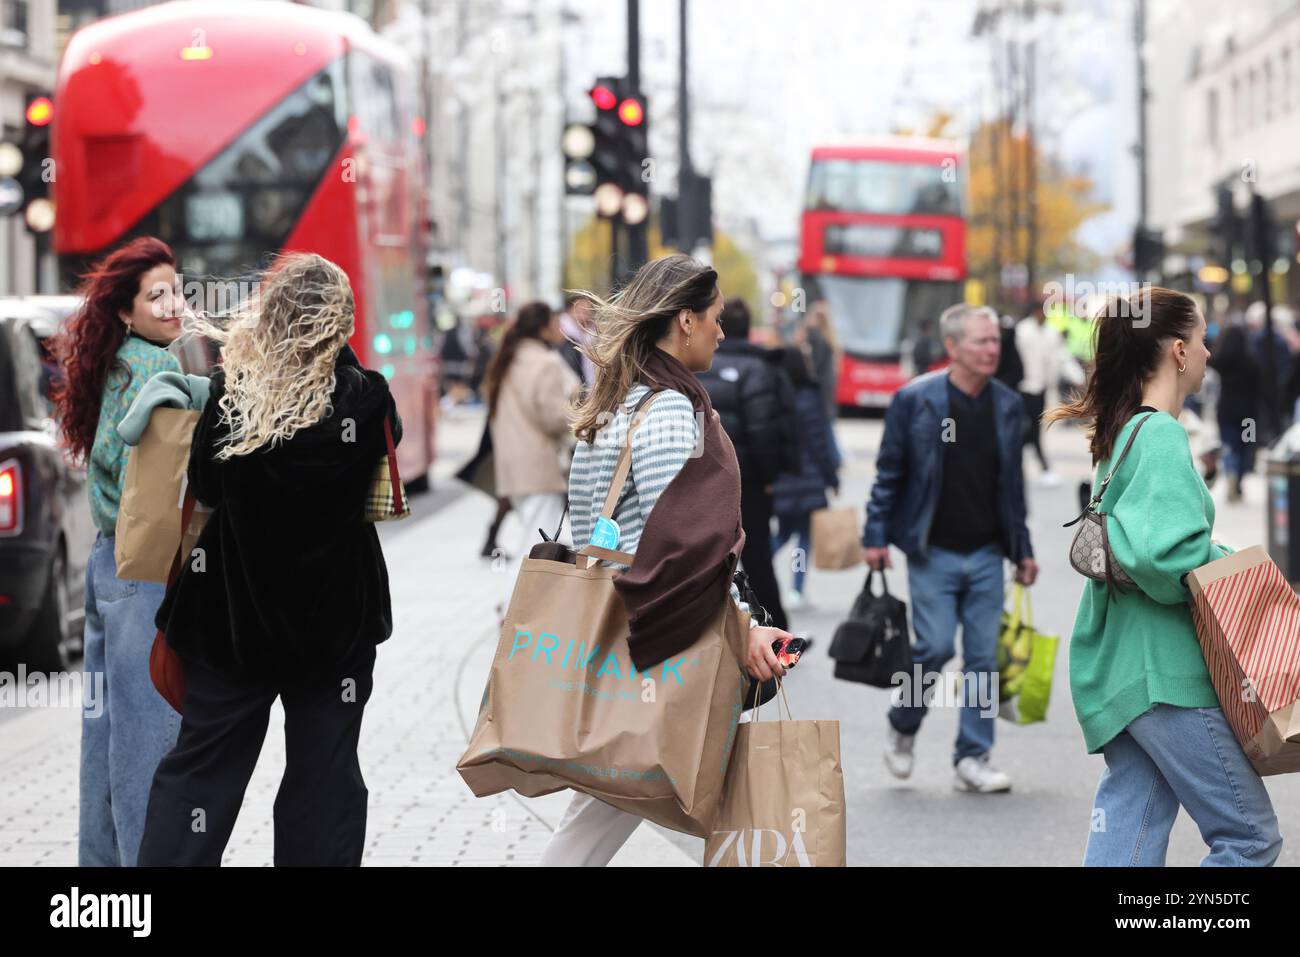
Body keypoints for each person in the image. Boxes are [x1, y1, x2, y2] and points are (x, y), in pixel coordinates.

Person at [137, 253, 399, 866]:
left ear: (270, 315)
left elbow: (205, 482)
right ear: (340, 324)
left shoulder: (234, 391)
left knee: (202, 776)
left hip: (232, 622)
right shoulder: (367, 400)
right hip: (333, 627)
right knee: (325, 779)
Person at [540, 254, 793, 866]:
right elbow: (683, 542)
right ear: (684, 320)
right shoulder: (671, 412)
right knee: (632, 787)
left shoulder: (616, 401)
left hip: (625, 622)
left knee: (619, 793)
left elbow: (598, 526)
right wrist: (744, 625)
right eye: (715, 317)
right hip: (661, 633)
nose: (722, 330)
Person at [1044, 287, 1281, 867]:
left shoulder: (1120, 433)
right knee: (1250, 840)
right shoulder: (1162, 435)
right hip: (1166, 676)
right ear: (1178, 350)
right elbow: (1166, 559)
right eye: (1204, 341)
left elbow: (1140, 546)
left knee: (1128, 834)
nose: (1209, 354)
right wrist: (1224, 555)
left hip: (1120, 673)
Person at [862, 303, 1037, 793]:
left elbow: (1012, 487)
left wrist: (1021, 548)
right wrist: (875, 536)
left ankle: (973, 757)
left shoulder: (1006, 404)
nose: (992, 350)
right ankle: (903, 725)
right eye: (981, 342)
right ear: (953, 347)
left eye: (995, 341)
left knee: (983, 658)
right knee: (934, 648)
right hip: (931, 551)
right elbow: (889, 474)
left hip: (986, 553)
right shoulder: (914, 401)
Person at [52, 236, 187, 867]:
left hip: (108, 563)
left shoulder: (118, 361)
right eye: (156, 294)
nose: (174, 304)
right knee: (147, 740)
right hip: (145, 567)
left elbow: (102, 454)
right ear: (127, 312)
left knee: (104, 734)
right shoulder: (155, 369)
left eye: (178, 290)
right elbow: (118, 451)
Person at [697, 297, 797, 631]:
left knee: (710, 553)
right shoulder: (759, 369)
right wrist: (769, 477)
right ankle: (772, 627)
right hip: (748, 481)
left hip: (704, 480)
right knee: (756, 555)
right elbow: (764, 429)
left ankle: (720, 625)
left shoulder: (698, 365)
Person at [482, 301, 581, 611]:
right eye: (554, 322)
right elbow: (553, 417)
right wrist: (582, 414)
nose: (560, 328)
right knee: (539, 546)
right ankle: (510, 604)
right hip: (541, 467)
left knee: (533, 538)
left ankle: (513, 604)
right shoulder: (546, 363)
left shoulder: (509, 359)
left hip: (514, 467)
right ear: (542, 328)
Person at [771, 347, 841, 611]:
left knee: (784, 532)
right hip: (809, 479)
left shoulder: (774, 394)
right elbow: (821, 443)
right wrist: (832, 477)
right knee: (803, 537)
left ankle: (750, 574)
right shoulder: (810, 396)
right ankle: (796, 591)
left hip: (783, 479)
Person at [1210, 323, 1262, 502]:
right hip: (1248, 414)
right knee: (1245, 447)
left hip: (1226, 410)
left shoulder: (1221, 360)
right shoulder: (1252, 361)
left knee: (1228, 445)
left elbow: (1212, 364)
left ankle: (1230, 470)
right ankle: (1238, 481)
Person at [1015, 305, 1064, 486]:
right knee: (1030, 429)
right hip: (1024, 387)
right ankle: (1044, 467)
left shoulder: (1051, 333)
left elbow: (1059, 358)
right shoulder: (1023, 331)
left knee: (1032, 428)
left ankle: (1032, 465)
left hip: (1041, 388)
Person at [804, 299, 841, 421]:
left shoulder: (815, 336)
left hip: (820, 383)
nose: (807, 318)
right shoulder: (827, 336)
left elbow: (815, 363)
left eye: (811, 315)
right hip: (827, 382)